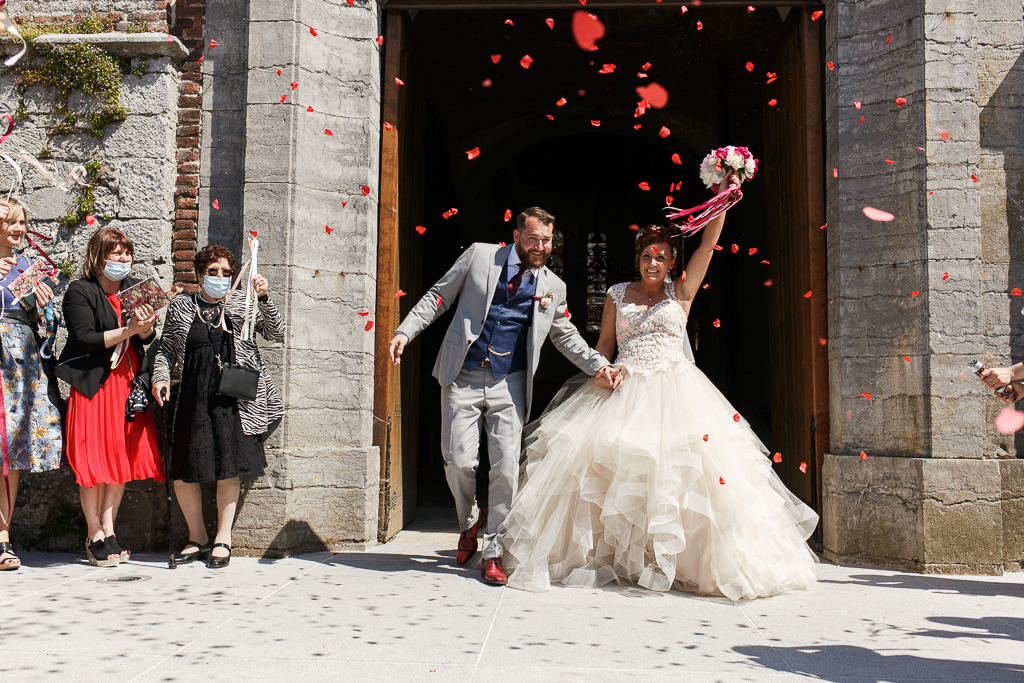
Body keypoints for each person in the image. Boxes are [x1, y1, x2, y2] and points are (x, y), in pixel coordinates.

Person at [500, 175, 820, 600]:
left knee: (682, 478)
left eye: (661, 257)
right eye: (647, 255)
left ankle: (679, 560)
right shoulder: (616, 294)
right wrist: (602, 372)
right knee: (612, 474)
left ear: (672, 262)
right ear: (640, 258)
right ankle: (618, 558)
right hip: (626, 389)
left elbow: (707, 246)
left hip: (678, 392)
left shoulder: (681, 293)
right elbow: (602, 347)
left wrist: (722, 199)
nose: (652, 262)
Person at [388, 207, 616, 585]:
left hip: (508, 383)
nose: (541, 247)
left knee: (506, 467)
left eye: (547, 241)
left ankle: (493, 551)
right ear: (516, 235)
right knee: (458, 462)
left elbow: (565, 335)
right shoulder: (479, 256)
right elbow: (438, 297)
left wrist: (598, 366)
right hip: (461, 373)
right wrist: (405, 332)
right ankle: (468, 522)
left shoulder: (552, 287)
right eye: (534, 239)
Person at [152, 244, 284, 569]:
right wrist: (160, 378)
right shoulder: (182, 306)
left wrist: (264, 298)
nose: (220, 277)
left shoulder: (244, 302)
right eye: (212, 272)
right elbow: (166, 349)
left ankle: (223, 537)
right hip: (193, 395)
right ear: (199, 275)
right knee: (185, 468)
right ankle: (197, 537)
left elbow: (277, 333)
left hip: (233, 399)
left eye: (226, 272)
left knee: (230, 464)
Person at [56, 227, 163, 567]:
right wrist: (129, 330)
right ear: (98, 256)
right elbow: (84, 338)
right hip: (94, 387)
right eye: (116, 253)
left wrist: (144, 327)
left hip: (125, 384)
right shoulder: (79, 291)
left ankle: (109, 527)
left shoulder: (134, 291)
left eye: (127, 253)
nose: (123, 259)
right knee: (91, 460)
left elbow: (145, 339)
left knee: (119, 457)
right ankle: (93, 533)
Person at [0, 199, 64, 570]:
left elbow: (48, 330)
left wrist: (45, 307)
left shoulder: (28, 266)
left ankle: (3, 537)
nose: (18, 228)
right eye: (10, 221)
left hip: (20, 361)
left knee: (10, 449)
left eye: (22, 221)